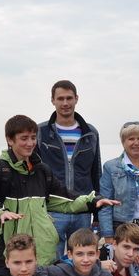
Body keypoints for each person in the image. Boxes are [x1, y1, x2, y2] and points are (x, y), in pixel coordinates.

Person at [0, 115, 116, 266]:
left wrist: (94, 201)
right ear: (10, 140)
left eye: (33, 137)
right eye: (24, 138)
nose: (30, 143)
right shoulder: (1, 173)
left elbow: (65, 197)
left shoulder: (43, 171)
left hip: (45, 254)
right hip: (15, 258)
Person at [37, 80, 102, 261]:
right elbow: (35, 173)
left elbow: (96, 173)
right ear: (52, 100)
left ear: (76, 99)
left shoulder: (90, 132)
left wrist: (97, 214)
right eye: (60, 99)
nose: (65, 103)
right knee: (52, 261)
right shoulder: (41, 132)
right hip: (52, 211)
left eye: (69, 98)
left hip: (82, 209)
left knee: (82, 261)